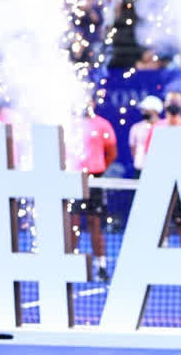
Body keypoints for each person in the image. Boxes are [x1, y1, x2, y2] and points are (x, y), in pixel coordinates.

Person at [67, 100, 118, 282]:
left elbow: (111, 153)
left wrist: (98, 169)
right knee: (72, 223)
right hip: (73, 178)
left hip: (95, 179)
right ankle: (70, 264)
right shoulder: (69, 124)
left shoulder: (103, 125)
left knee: (95, 223)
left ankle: (101, 266)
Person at [144, 91, 181, 247]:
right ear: (165, 105)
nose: (173, 104)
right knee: (160, 222)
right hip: (161, 183)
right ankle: (162, 252)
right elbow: (149, 153)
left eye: (177, 101)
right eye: (171, 101)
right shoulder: (156, 128)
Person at [128, 95, 163, 179]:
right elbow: (133, 147)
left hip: (159, 170)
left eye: (146, 109)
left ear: (155, 110)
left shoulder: (164, 128)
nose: (143, 111)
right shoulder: (136, 127)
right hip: (140, 169)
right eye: (142, 109)